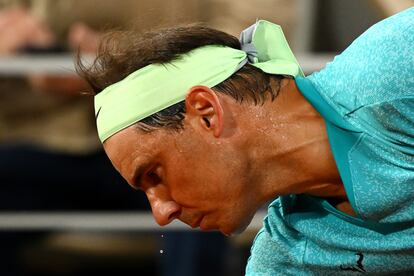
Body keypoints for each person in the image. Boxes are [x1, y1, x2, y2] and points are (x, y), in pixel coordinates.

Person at [77, 7, 414, 275]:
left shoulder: (396, 70)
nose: (161, 213)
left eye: (154, 175)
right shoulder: (283, 260)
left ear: (207, 113)